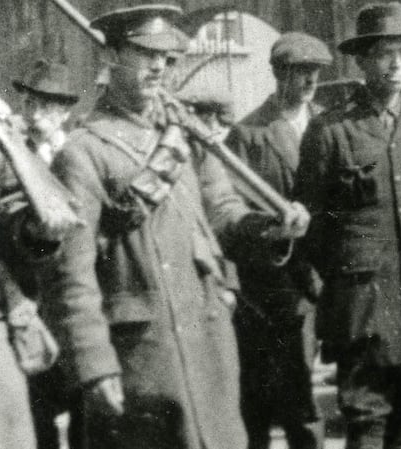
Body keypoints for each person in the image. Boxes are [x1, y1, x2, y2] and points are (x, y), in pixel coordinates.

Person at [38, 5, 310, 449]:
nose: (159, 66)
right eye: (146, 54)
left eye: (167, 57)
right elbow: (71, 274)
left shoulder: (185, 133)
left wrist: (270, 228)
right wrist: (94, 363)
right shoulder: (83, 152)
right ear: (111, 59)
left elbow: (222, 211)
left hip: (207, 340)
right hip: (141, 357)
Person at [295, 3, 401, 448]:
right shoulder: (331, 131)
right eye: (383, 54)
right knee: (367, 412)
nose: (394, 64)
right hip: (363, 296)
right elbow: (312, 220)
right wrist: (338, 278)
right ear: (363, 61)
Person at [225, 31, 333, 449]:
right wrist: (272, 232)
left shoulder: (327, 123)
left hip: (320, 280)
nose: (309, 81)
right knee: (266, 401)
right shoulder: (248, 134)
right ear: (277, 74)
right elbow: (231, 213)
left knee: (305, 397)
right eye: (299, 72)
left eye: (315, 72)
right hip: (270, 287)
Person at [10, 58, 83, 449]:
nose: (37, 115)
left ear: (66, 111)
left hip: (72, 301)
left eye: (48, 106)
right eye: (30, 104)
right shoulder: (11, 157)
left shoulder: (77, 154)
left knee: (84, 409)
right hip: (33, 300)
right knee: (39, 415)